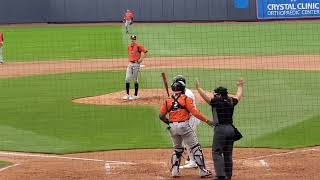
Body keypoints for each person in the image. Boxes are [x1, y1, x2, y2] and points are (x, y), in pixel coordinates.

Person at [159, 80, 213, 178]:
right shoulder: (186, 99)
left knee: (177, 149)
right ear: (183, 89)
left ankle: (175, 172)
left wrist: (170, 123)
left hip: (172, 127)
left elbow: (161, 116)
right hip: (184, 126)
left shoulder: (168, 101)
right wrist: (207, 121)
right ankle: (203, 171)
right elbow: (195, 113)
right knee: (195, 147)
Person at [195, 79, 244, 180]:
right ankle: (228, 176)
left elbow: (206, 98)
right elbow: (238, 96)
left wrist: (198, 88)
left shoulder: (216, 101)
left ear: (218, 94)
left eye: (214, 93)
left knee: (217, 152)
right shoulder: (231, 100)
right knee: (228, 153)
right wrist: (240, 86)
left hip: (220, 130)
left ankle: (221, 176)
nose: (213, 95)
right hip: (231, 129)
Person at [172, 75, 200, 169]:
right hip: (189, 119)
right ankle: (192, 159)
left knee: (189, 141)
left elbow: (188, 110)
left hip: (190, 119)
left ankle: (193, 162)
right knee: (188, 141)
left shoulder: (187, 94)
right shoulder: (184, 91)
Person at [122, 35, 148, 100]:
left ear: (135, 40)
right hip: (130, 64)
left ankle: (135, 95)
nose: (132, 40)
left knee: (135, 79)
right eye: (131, 39)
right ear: (130, 39)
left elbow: (145, 52)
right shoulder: (129, 47)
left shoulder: (139, 46)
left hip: (136, 64)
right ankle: (127, 94)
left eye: (134, 39)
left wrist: (141, 59)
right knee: (127, 79)